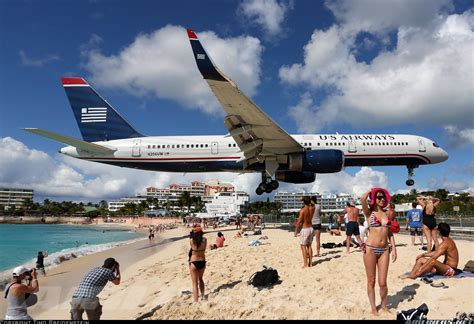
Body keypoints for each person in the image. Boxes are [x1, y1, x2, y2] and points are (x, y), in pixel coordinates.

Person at [361, 188, 397, 316]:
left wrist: (394, 248)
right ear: (374, 199)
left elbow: (390, 232)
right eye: (379, 197)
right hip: (370, 248)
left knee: (383, 282)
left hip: (384, 250)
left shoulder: (387, 214)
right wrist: (372, 191)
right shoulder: (369, 212)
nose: (382, 199)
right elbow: (362, 199)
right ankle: (373, 308)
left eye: (383, 198)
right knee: (371, 280)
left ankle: (384, 305)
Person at [294, 196, 314, 268]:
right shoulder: (312, 208)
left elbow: (299, 222)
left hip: (305, 228)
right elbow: (312, 203)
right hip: (311, 228)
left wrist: (296, 231)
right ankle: (310, 263)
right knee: (309, 245)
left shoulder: (302, 210)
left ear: (303, 202)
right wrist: (306, 199)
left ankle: (305, 264)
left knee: (303, 246)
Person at [189, 225, 207, 302]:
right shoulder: (205, 240)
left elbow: (191, 236)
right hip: (202, 261)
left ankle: (196, 301)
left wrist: (192, 233)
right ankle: (203, 296)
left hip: (194, 262)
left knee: (194, 284)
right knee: (201, 279)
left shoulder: (192, 241)